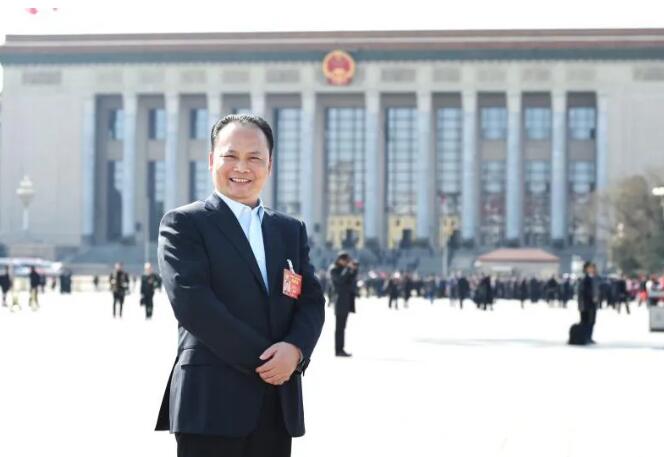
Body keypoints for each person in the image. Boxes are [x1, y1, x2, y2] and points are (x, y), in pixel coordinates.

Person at [155, 114, 325, 457]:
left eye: (254, 157)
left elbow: (311, 301)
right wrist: (269, 361)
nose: (242, 167)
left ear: (269, 165)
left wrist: (295, 350)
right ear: (211, 160)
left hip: (276, 407)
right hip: (211, 404)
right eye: (230, 155)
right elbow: (194, 305)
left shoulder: (289, 230)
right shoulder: (185, 224)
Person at [329, 252, 357, 357]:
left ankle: (341, 349)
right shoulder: (334, 269)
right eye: (345, 260)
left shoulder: (345, 269)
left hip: (347, 301)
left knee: (343, 328)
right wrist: (347, 269)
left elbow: (351, 279)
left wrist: (354, 269)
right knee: (339, 328)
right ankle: (338, 350)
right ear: (340, 260)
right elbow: (340, 280)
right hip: (340, 301)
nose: (347, 262)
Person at [577, 261, 599, 344]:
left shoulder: (594, 278)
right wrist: (592, 297)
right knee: (585, 321)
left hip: (592, 304)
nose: (592, 269)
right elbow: (583, 292)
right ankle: (584, 337)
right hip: (586, 304)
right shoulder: (584, 279)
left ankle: (589, 337)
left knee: (592, 321)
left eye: (593, 267)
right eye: (590, 267)